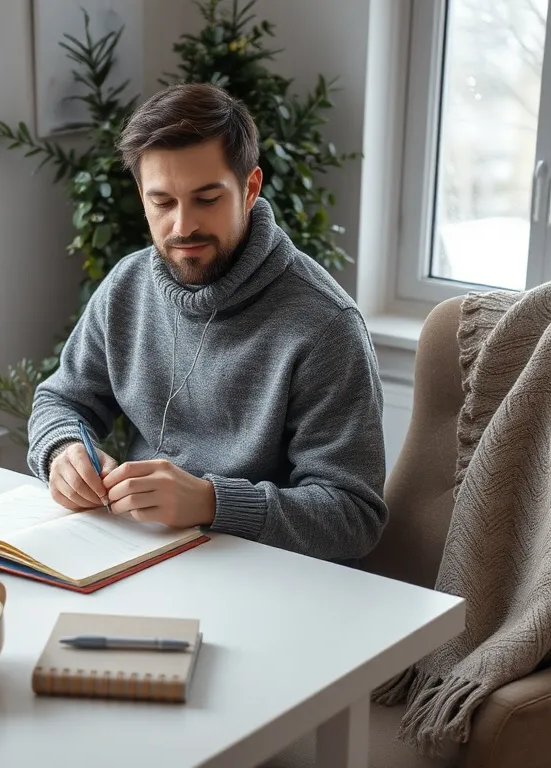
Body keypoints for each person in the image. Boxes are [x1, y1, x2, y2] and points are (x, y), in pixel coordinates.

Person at [26, 82, 387, 564]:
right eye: (163, 202)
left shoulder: (325, 325)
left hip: (266, 580)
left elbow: (353, 518)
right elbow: (60, 398)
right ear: (142, 196)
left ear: (250, 188)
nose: (182, 227)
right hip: (133, 556)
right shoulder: (128, 285)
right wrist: (63, 450)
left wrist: (213, 503)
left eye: (206, 198)